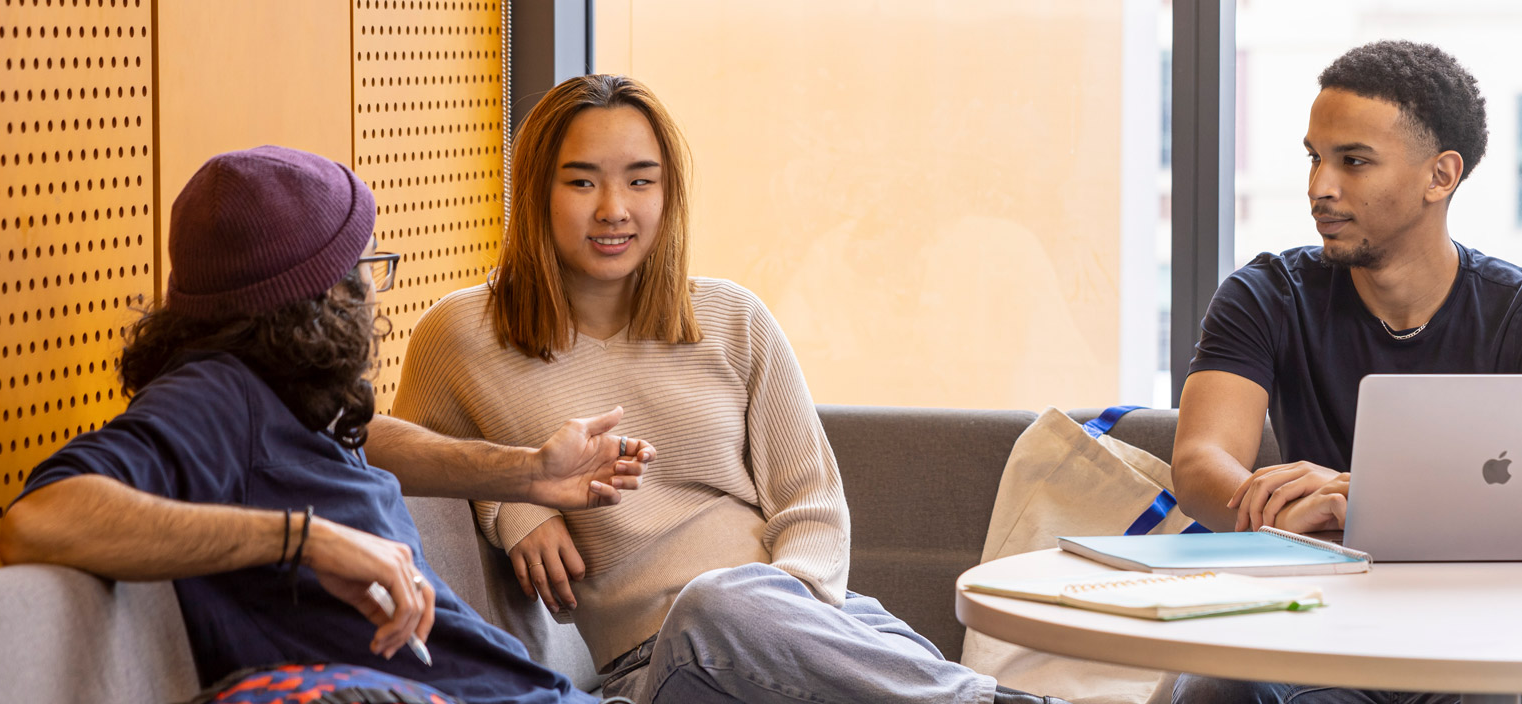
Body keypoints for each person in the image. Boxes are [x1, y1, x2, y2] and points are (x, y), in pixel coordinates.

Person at [391, 74, 1065, 704]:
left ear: (668, 192)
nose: (614, 209)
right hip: (656, 665)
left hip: (825, 632)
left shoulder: (732, 319)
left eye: (640, 181)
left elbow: (814, 506)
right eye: (581, 182)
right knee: (711, 607)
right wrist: (512, 508)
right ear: (536, 189)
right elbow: (399, 472)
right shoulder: (461, 336)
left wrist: (784, 616)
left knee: (731, 604)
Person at [0, 145, 650, 704]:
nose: (373, 292)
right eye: (364, 268)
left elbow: (363, 435)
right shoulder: (215, 396)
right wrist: (306, 539)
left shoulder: (281, 395)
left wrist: (530, 472)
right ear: (315, 297)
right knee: (724, 616)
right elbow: (39, 518)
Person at [1167, 40, 1522, 704]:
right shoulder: (1266, 293)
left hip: (1480, 639)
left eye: (1354, 162)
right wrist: (1287, 518)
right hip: (1316, 631)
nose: (1321, 187)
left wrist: (1358, 496)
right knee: (1210, 689)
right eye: (1315, 157)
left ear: (1441, 176)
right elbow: (1201, 462)